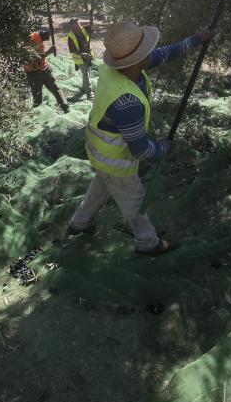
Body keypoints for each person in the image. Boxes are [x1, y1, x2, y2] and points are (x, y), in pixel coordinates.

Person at [67, 21, 213, 254]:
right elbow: (141, 150)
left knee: (101, 186)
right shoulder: (127, 103)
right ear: (136, 60)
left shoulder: (116, 69)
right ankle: (148, 242)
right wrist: (163, 148)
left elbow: (166, 53)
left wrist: (197, 39)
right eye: (147, 50)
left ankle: (79, 223)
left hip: (99, 151)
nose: (152, 52)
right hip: (117, 160)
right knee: (134, 200)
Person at [23, 29, 69, 113]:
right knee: (37, 98)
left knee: (56, 89)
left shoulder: (36, 36)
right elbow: (34, 57)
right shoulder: (25, 45)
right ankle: (38, 115)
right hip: (34, 74)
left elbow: (46, 34)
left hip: (45, 70)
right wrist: (49, 51)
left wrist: (51, 28)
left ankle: (65, 106)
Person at [67, 18, 94, 100]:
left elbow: (93, 27)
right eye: (76, 24)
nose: (79, 25)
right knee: (86, 75)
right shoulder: (70, 37)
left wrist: (92, 21)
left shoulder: (84, 29)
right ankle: (89, 94)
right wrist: (83, 54)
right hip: (79, 59)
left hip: (88, 56)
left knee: (87, 73)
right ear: (72, 27)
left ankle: (83, 89)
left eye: (78, 24)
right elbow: (73, 50)